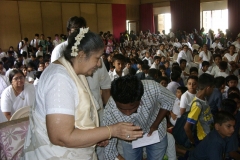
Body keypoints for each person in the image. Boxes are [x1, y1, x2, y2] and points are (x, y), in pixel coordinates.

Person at [22, 29, 143, 159]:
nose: (99, 64)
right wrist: (111, 131)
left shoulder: (73, 71)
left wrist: (95, 136)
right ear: (80, 55)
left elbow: (76, 122)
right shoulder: (59, 79)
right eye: (96, 58)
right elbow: (61, 137)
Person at [103, 75, 175, 160]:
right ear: (115, 102)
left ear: (140, 98)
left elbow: (169, 101)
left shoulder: (152, 88)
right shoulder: (109, 112)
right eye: (122, 109)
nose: (128, 113)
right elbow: (109, 151)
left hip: (156, 131)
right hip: (129, 140)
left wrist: (155, 124)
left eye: (132, 107)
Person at [184, 73, 214, 145]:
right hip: (203, 138)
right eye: (213, 88)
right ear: (208, 88)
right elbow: (186, 127)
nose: (213, 90)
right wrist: (192, 141)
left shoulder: (203, 98)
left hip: (208, 134)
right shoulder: (197, 105)